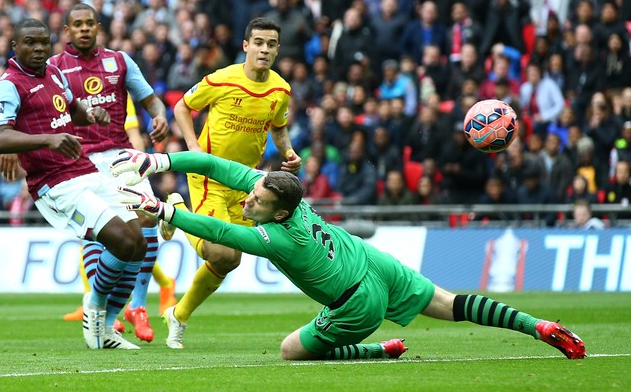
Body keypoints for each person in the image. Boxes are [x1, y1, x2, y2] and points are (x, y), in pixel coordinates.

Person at [111, 149, 586, 361]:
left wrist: (162, 208)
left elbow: (216, 229)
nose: (248, 200)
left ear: (277, 212)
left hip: (357, 303)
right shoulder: (288, 195)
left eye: (256, 202)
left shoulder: (279, 239)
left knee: (290, 351)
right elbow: (215, 165)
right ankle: (539, 326)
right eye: (252, 192)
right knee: (453, 305)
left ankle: (374, 350)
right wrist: (158, 162)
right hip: (373, 262)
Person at [0, 18, 145, 350]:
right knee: (120, 240)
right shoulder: (9, 84)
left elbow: (70, 108)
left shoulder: (54, 73)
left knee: (138, 243)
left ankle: (105, 325)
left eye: (44, 42)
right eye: (30, 42)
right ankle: (96, 308)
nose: (39, 48)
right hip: (54, 183)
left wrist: (90, 114)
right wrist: (49, 139)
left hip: (83, 168)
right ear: (15, 46)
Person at [169, 17, 301, 349]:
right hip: (209, 175)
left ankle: (179, 315)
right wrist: (194, 149)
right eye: (258, 42)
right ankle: (175, 208)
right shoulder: (221, 79)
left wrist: (288, 151)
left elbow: (279, 126)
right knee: (217, 249)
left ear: (277, 50)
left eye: (271, 44)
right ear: (246, 46)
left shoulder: (280, 89)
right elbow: (182, 107)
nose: (264, 49)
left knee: (230, 259)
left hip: (247, 183)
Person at [47, 3, 176, 342]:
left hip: (121, 155)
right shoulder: (54, 68)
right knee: (101, 232)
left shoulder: (119, 61)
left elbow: (149, 98)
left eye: (90, 23)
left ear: (99, 27)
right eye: (77, 24)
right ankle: (103, 309)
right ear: (66, 31)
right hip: (80, 159)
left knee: (148, 220)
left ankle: (113, 308)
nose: (84, 29)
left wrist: (159, 116)